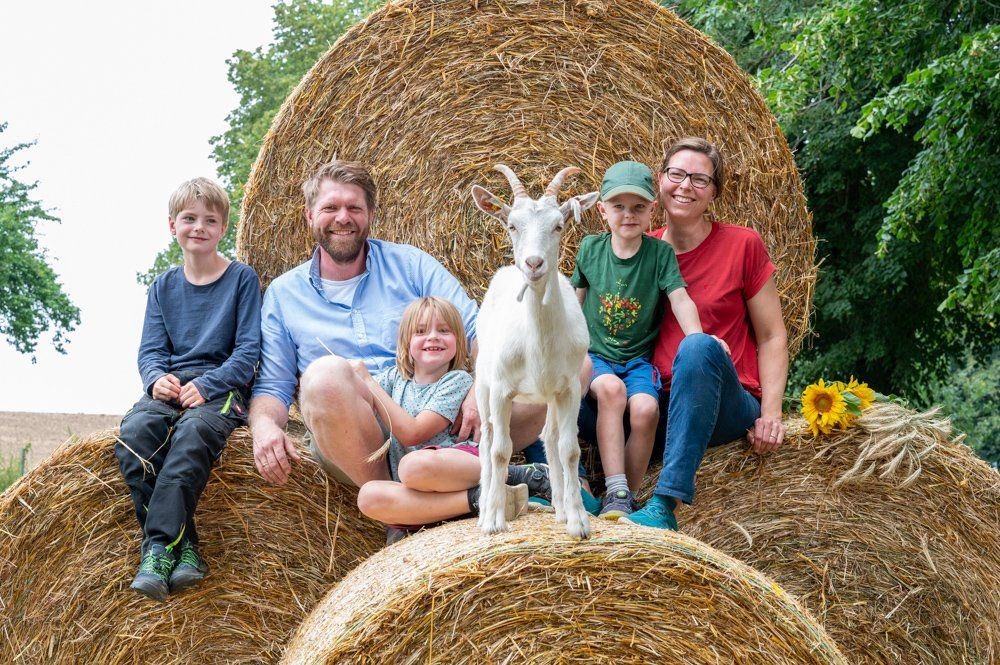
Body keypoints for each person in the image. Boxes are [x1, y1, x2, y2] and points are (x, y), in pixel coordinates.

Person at [622, 137, 789, 530]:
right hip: (651, 407)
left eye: (699, 179)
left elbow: (772, 336)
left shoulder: (741, 245)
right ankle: (565, 488)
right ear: (660, 181)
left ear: (714, 193)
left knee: (697, 346)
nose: (685, 186)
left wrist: (772, 415)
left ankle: (665, 503)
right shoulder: (636, 250)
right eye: (676, 174)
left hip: (722, 404)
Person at [116, 177, 261, 601]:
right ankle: (185, 549)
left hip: (222, 391)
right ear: (172, 225)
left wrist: (209, 383)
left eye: (210, 220)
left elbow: (249, 350)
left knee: (191, 436)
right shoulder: (163, 286)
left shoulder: (241, 279)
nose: (199, 227)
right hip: (171, 388)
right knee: (135, 437)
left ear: (223, 229)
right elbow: (150, 350)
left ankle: (158, 546)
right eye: (189, 218)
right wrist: (155, 379)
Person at [571, 161, 707, 521]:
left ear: (652, 211)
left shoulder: (659, 254)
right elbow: (574, 303)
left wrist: (698, 338)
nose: (628, 215)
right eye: (618, 206)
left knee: (646, 410)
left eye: (638, 207)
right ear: (602, 211)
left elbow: (679, 298)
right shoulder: (590, 249)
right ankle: (615, 487)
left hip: (637, 362)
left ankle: (623, 500)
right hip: (596, 357)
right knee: (612, 392)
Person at [353, 297, 550, 542]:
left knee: (412, 467)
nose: (433, 336)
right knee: (368, 495)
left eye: (444, 331)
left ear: (458, 341)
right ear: (405, 343)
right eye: (421, 331)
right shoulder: (394, 380)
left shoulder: (457, 381)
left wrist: (368, 381)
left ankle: (524, 476)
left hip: (454, 467)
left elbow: (413, 433)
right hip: (430, 494)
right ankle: (478, 500)